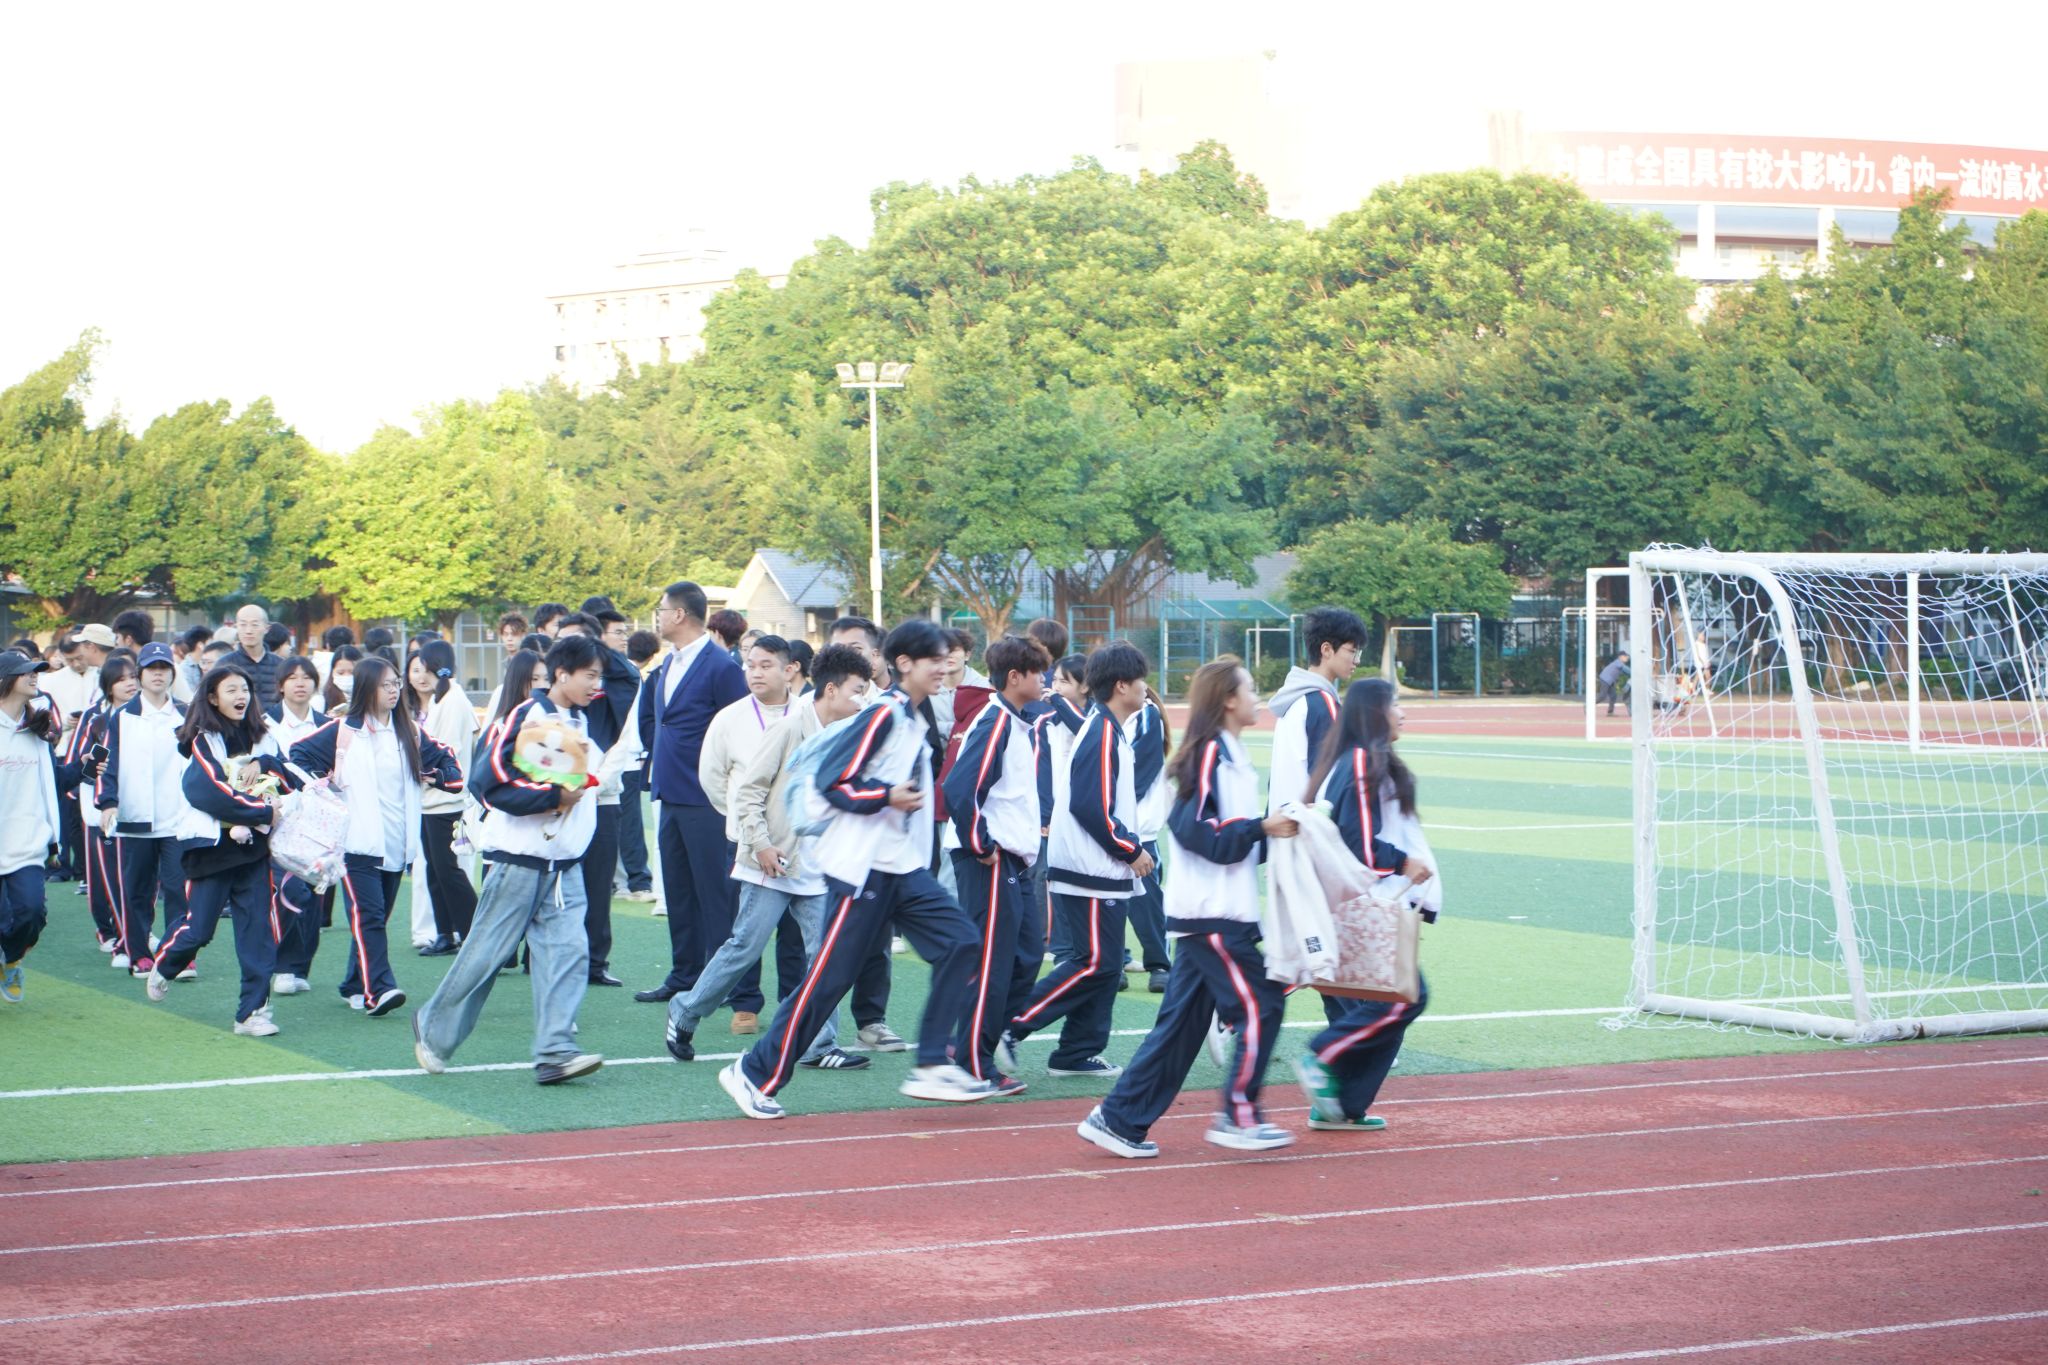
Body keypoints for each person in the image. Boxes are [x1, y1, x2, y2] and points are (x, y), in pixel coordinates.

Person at [718, 620, 996, 1119]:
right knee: (828, 981)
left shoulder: (913, 717)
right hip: (863, 872)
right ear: (904, 663)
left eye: (948, 657)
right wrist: (886, 796)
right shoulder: (883, 715)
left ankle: (932, 1063)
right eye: (935, 659)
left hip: (901, 870)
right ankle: (754, 1072)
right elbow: (832, 782)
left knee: (961, 942)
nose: (946, 666)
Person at [1079, 658, 1301, 1159]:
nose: (1258, 697)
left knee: (1179, 1030)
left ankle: (1117, 1119)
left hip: (1216, 912)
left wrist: (1278, 833)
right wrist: (1260, 828)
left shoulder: (1231, 754)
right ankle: (1239, 1116)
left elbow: (1231, 838)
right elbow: (1193, 829)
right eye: (1250, 688)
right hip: (1211, 915)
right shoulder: (1209, 754)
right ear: (1228, 699)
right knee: (1262, 1005)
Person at [666, 643, 875, 1070]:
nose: (863, 699)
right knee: (745, 947)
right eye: (857, 690)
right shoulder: (787, 728)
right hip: (772, 861)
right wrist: (760, 843)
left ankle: (818, 1044)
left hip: (820, 866)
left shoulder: (851, 732)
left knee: (825, 955)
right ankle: (685, 1010)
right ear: (831, 689)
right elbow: (747, 792)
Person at [412, 634, 605, 1085]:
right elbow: (487, 782)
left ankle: (555, 1052)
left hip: (564, 865)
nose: (597, 684)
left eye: (600, 676)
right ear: (562, 674)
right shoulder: (526, 715)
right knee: (486, 955)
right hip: (519, 860)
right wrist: (553, 797)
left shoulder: (582, 719)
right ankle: (433, 1027)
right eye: (590, 675)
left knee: (569, 955)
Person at [997, 641, 1157, 1080]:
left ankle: (1076, 1052)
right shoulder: (1101, 732)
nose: (1146, 688)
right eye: (1140, 680)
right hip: (1090, 868)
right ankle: (1012, 1025)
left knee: (1105, 965)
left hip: (1097, 867)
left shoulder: (1106, 728)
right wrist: (1131, 848)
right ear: (1121, 685)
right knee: (1093, 963)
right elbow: (1090, 806)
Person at [1293, 677, 1438, 1133]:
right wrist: (1403, 862)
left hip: (1354, 904)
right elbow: (1358, 843)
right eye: (1395, 704)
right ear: (1375, 712)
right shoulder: (1358, 762)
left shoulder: (1356, 760)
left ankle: (1341, 1106)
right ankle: (1322, 1055)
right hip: (1358, 906)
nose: (1402, 713)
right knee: (1404, 996)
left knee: (1374, 1006)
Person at [285, 656, 464, 1016]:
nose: (394, 690)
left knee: (374, 919)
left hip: (397, 844)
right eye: (386, 684)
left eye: (396, 683)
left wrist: (436, 775)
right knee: (369, 915)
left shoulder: (410, 732)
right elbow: (297, 756)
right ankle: (377, 990)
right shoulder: (344, 730)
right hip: (356, 844)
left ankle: (354, 984)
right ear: (367, 689)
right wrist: (324, 783)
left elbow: (450, 765)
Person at [148, 664, 286, 1034]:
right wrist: (261, 811)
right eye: (231, 690)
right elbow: (205, 791)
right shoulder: (202, 740)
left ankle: (251, 1014)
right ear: (212, 698)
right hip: (210, 850)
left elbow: (285, 775)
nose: (241, 696)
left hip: (254, 850)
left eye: (245, 689)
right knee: (199, 930)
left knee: (257, 932)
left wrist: (266, 765)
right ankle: (166, 962)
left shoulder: (264, 737)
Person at [943, 634, 1052, 1094]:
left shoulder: (1016, 721)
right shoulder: (995, 721)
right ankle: (973, 1062)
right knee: (992, 961)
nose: (1044, 679)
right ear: (1014, 676)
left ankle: (971, 1044)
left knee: (1026, 955)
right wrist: (981, 844)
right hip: (989, 858)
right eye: (1038, 672)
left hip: (1013, 858)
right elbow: (960, 788)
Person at [633, 582, 749, 1004]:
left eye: (662, 609)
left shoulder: (721, 666)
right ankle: (684, 974)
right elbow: (656, 721)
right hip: (670, 792)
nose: (659, 617)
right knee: (678, 891)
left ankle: (722, 981)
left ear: (680, 614)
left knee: (714, 894)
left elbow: (738, 728)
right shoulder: (667, 663)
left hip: (707, 798)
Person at [693, 633, 803, 1031]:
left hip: (796, 840)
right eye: (750, 665)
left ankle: (793, 1007)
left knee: (795, 930)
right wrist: (742, 822)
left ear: (790, 670)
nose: (755, 673)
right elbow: (712, 777)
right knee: (745, 928)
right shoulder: (729, 718)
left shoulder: (807, 713)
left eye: (766, 665)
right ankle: (745, 1004)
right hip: (745, 841)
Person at [821, 614, 904, 1052]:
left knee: (876, 936)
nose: (846, 656)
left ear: (876, 653)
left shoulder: (892, 705)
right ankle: (799, 1028)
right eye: (837, 647)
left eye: (854, 648)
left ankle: (871, 1020)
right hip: (822, 840)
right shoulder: (817, 704)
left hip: (877, 839)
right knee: (821, 943)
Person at [95, 642, 195, 982]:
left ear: (172, 673)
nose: (158, 674)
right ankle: (138, 953)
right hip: (134, 818)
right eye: (151, 668)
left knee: (178, 888)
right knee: (137, 890)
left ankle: (178, 955)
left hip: (177, 819)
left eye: (164, 668)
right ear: (140, 674)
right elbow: (104, 763)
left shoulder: (186, 714)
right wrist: (107, 802)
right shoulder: (120, 717)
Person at [571, 608, 641, 987]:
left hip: (601, 798)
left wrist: (594, 785)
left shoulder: (615, 683)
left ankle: (594, 962)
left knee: (598, 885)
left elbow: (623, 741)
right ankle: (546, 957)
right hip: (559, 801)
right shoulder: (551, 692)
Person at [61, 657, 139, 958]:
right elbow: (83, 765)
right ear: (108, 686)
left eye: (133, 676)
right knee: (103, 876)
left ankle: (134, 933)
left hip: (139, 809)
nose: (130, 683)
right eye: (121, 679)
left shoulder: (148, 715)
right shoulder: (96, 720)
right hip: (101, 810)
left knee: (136, 877)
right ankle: (110, 933)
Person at [257, 657, 326, 994]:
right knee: (290, 890)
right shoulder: (264, 724)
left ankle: (300, 967)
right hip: (279, 821)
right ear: (281, 684)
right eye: (293, 677)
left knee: (315, 896)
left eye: (306, 677)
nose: (300, 683)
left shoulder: (327, 725)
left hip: (321, 823)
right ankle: (283, 966)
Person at [0, 650, 63, 1003]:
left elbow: (53, 780)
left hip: (28, 841)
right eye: (26, 672)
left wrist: (84, 769)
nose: (35, 675)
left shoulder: (37, 728)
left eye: (37, 671)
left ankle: (10, 961)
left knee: (32, 913)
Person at [409, 640, 478, 958]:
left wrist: (419, 768)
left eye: (425, 667)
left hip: (445, 800)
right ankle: (446, 933)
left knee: (447, 872)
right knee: (436, 872)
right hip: (431, 800)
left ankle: (478, 936)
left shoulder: (453, 700)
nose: (421, 674)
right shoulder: (444, 698)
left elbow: (446, 751)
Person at [1267, 606, 1367, 813]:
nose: (1357, 660)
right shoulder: (1322, 704)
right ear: (1327, 650)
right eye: (1352, 651)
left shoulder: (1293, 699)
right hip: (1306, 826)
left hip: (1282, 824)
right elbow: (1331, 780)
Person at [1122, 686, 1174, 992]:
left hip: (1139, 830)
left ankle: (1159, 964)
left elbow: (1142, 769)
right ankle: (1116, 962)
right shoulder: (1098, 716)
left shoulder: (1146, 714)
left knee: (1148, 903)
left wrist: (1115, 807)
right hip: (1109, 828)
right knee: (1109, 902)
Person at [613, 630, 661, 903]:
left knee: (623, 822)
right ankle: (637, 881)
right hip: (627, 759)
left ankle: (632, 880)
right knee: (629, 823)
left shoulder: (624, 673)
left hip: (623, 758)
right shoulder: (630, 675)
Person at [231, 604, 287, 710]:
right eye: (243, 625)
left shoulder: (281, 664)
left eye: (255, 625)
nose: (248, 631)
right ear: (236, 627)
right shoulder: (225, 664)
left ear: (267, 628)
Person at [322, 645, 363, 714]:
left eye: (352, 673)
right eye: (340, 673)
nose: (346, 677)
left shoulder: (372, 699)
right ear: (332, 672)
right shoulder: (324, 700)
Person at [1598, 650, 1631, 715]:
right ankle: (1589, 704)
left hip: (1609, 680)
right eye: (1625, 656)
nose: (1627, 658)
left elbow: (1625, 673)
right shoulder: (1618, 663)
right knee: (1602, 696)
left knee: (1613, 695)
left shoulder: (1619, 663)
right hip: (1605, 679)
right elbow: (1628, 671)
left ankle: (1610, 712)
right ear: (1620, 657)